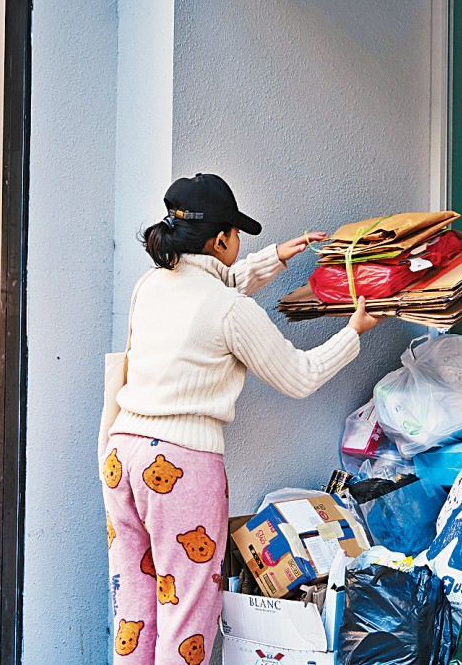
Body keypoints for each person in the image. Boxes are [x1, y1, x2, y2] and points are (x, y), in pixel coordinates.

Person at [100, 173, 380, 664]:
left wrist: (277, 257)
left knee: (136, 609)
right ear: (220, 239)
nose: (238, 244)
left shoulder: (151, 284)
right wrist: (353, 332)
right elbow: (299, 375)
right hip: (180, 466)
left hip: (122, 455)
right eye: (235, 234)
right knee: (187, 613)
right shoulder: (230, 309)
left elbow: (213, 286)